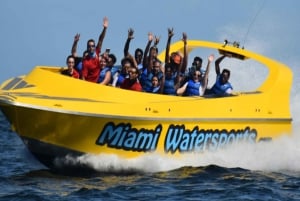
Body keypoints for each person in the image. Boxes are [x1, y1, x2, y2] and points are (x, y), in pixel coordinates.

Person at [81, 17, 108, 82]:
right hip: (90, 86)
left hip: (97, 84)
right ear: (87, 48)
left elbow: (100, 40)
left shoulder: (97, 52)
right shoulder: (86, 62)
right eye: (89, 46)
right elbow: (83, 77)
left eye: (93, 46)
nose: (91, 48)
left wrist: (104, 28)